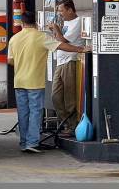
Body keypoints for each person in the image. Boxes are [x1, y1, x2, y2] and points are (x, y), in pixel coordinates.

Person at [9, 11, 90, 153]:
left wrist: (22, 63)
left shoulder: (14, 39)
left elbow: (10, 60)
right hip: (34, 82)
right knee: (35, 112)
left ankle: (23, 143)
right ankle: (32, 143)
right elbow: (61, 46)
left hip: (19, 81)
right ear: (36, 22)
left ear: (22, 23)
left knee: (23, 113)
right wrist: (81, 49)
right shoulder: (40, 37)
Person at [48, 0, 84, 136]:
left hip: (70, 61)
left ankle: (73, 126)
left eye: (61, 10)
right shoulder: (67, 23)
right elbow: (58, 39)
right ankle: (66, 123)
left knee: (70, 97)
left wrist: (56, 29)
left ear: (70, 10)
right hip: (60, 62)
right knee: (56, 96)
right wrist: (55, 30)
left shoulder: (78, 22)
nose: (60, 14)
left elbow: (63, 40)